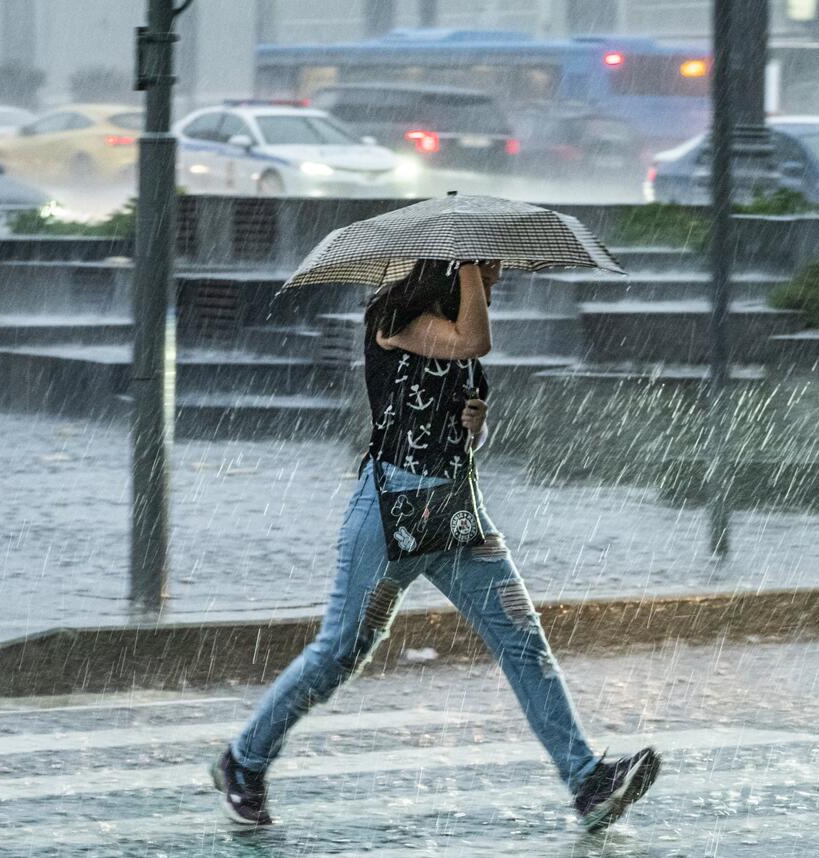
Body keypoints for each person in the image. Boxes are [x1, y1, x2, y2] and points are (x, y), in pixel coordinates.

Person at [211, 260, 660, 831]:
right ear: (451, 271)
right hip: (388, 515)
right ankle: (243, 761)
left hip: (456, 521)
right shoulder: (393, 316)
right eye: (487, 273)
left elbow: (465, 394)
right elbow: (474, 337)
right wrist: (471, 264)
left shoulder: (461, 350)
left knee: (524, 642)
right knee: (340, 652)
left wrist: (478, 424)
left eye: (492, 273)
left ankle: (588, 783)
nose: (495, 284)